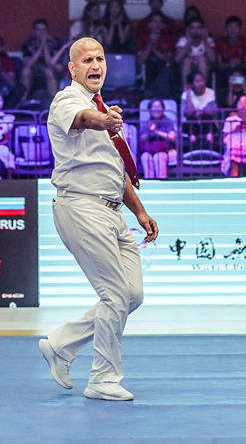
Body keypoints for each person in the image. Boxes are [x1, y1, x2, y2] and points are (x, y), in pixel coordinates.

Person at [41, 37, 158, 401]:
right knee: (115, 294)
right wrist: (103, 120)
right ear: (73, 69)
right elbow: (83, 119)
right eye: (87, 60)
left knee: (132, 295)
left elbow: (115, 170)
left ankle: (61, 344)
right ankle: (103, 379)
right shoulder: (68, 100)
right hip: (81, 206)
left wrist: (140, 211)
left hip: (113, 211)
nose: (95, 65)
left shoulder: (104, 107)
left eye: (100, 58)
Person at [136, 12, 175, 99]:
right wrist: (150, 44)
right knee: (149, 65)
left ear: (163, 25)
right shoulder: (142, 37)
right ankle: (147, 97)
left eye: (160, 22)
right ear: (149, 25)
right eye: (154, 21)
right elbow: (140, 61)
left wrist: (156, 51)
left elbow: (170, 61)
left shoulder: (168, 38)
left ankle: (164, 98)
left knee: (164, 67)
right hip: (147, 68)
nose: (157, 25)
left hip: (163, 68)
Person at [21, 18, 61, 101]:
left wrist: (45, 45)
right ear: (34, 31)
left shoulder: (54, 43)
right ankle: (23, 100)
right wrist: (40, 48)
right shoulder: (28, 44)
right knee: (25, 71)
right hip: (34, 71)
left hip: (50, 71)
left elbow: (49, 63)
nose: (42, 33)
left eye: (44, 30)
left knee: (49, 71)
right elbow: (28, 64)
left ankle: (53, 102)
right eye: (38, 30)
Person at [138, 99, 177, 179]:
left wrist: (156, 131)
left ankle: (161, 182)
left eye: (159, 106)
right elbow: (141, 139)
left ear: (163, 109)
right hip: (149, 149)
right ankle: (149, 182)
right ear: (150, 109)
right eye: (154, 107)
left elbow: (172, 137)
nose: (157, 109)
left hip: (164, 150)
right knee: (145, 157)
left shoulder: (168, 121)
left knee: (158, 157)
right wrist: (149, 132)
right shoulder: (146, 122)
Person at [214, 15, 246, 93]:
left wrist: (239, 64)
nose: (233, 29)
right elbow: (218, 64)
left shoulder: (245, 42)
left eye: (236, 27)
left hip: (241, 69)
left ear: (240, 29)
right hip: (226, 70)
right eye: (230, 27)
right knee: (219, 75)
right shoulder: (220, 43)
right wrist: (229, 65)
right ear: (226, 29)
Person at [181, 70, 218, 150]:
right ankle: (193, 142)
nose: (201, 83)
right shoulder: (185, 94)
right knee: (191, 119)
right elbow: (189, 113)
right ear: (192, 84)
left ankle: (209, 142)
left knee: (207, 118)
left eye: (202, 81)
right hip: (192, 123)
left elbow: (212, 111)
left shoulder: (210, 92)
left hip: (206, 122)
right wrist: (188, 94)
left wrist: (202, 112)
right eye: (197, 81)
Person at [174, 16, 215, 85]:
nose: (195, 30)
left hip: (203, 67)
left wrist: (204, 40)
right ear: (188, 29)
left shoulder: (209, 41)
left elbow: (213, 59)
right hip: (186, 67)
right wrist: (189, 42)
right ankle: (186, 89)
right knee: (187, 60)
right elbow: (177, 60)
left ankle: (201, 88)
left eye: (199, 28)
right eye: (192, 28)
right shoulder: (183, 40)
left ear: (203, 29)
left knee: (202, 59)